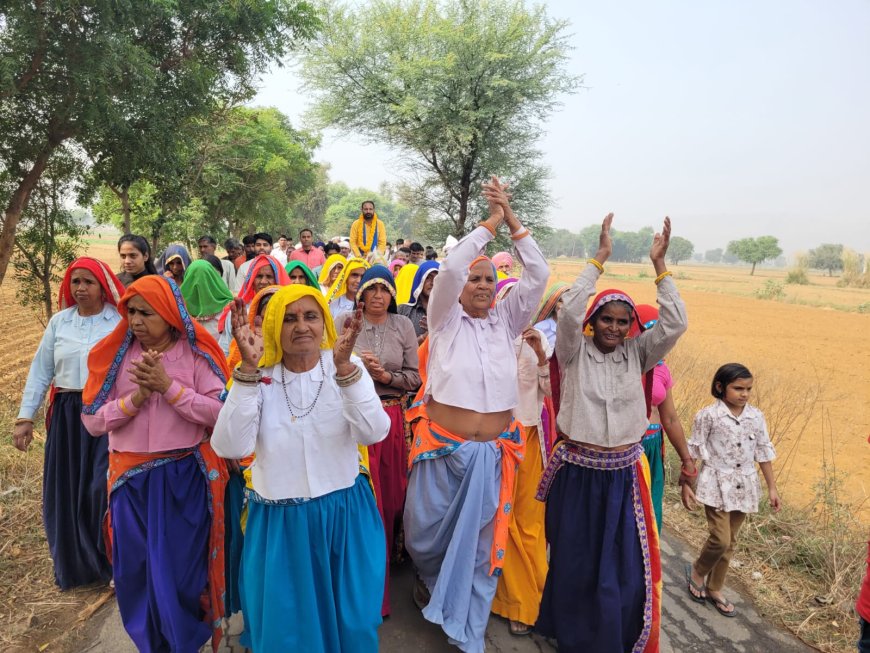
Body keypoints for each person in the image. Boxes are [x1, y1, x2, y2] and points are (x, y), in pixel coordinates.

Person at [403, 177, 548, 653]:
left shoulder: (508, 322)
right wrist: (489, 223)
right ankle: (430, 580)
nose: (483, 284)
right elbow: (451, 268)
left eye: (489, 279)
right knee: (425, 535)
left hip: (493, 456)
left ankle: (467, 625)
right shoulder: (444, 319)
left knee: (484, 544)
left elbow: (539, 275)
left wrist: (514, 221)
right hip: (443, 450)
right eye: (476, 278)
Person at [535, 214, 688, 653]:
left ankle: (610, 638)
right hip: (578, 474)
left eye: (623, 322)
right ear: (594, 320)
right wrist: (598, 260)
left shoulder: (638, 355)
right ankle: (573, 636)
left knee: (621, 564)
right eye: (608, 319)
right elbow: (567, 315)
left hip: (623, 475)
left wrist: (660, 267)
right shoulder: (572, 352)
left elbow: (674, 324)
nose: (616, 328)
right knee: (575, 560)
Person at [211, 285, 389, 652]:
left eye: (311, 316)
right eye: (289, 318)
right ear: (274, 326)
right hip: (281, 524)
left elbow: (375, 432)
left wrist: (344, 371)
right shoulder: (257, 377)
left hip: (343, 516)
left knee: (352, 624)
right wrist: (245, 370)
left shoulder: (346, 369)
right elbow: (230, 446)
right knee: (287, 631)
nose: (301, 326)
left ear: (325, 323)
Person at [81, 276, 230, 653]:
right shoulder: (114, 355)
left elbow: (220, 413)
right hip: (130, 482)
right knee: (136, 571)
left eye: (146, 312)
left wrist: (170, 388)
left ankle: (183, 642)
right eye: (130, 311)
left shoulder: (196, 355)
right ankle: (150, 644)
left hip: (182, 478)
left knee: (179, 572)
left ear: (168, 314)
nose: (136, 320)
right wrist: (137, 398)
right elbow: (93, 420)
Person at [13, 258, 124, 589]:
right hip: (67, 415)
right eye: (75, 282)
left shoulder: (119, 321)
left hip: (106, 414)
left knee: (99, 489)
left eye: (88, 282)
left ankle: (109, 562)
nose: (81, 288)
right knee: (67, 490)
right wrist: (25, 417)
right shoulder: (60, 323)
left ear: (102, 286)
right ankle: (77, 567)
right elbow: (41, 370)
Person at [336, 266, 421, 618]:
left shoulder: (403, 325)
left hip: (390, 419)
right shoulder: (344, 320)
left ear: (392, 294)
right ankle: (358, 579)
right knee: (359, 500)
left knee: (390, 498)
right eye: (371, 289)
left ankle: (384, 565)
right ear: (360, 293)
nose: (377, 296)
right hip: (351, 421)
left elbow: (415, 377)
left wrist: (386, 375)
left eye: (384, 289)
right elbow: (328, 364)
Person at [685, 363, 780, 618]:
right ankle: (698, 570)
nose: (744, 394)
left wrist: (772, 487)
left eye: (748, 389)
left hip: (745, 484)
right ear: (720, 387)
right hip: (715, 482)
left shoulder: (756, 417)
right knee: (721, 538)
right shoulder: (708, 416)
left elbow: (762, 452)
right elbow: (693, 451)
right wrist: (687, 483)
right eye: (738, 388)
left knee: (731, 542)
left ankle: (715, 587)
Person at [490, 279, 552, 636]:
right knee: (497, 519)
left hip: (528, 437)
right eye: (514, 301)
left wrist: (541, 356)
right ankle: (501, 598)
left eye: (526, 303)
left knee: (528, 522)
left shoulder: (539, 339)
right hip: (492, 438)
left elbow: (549, 389)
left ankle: (527, 598)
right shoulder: (487, 338)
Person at [632, 304, 696, 533]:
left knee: (650, 513)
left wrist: (687, 461)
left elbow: (670, 419)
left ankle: (646, 568)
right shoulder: (619, 364)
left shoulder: (661, 370)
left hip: (651, 448)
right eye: (646, 333)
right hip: (620, 451)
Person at [219, 254, 291, 336]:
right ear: (252, 281)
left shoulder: (288, 310)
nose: (263, 281)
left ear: (277, 280)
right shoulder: (239, 312)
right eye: (259, 276)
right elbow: (225, 346)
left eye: (269, 276)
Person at [180, 259, 235, 355]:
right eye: (193, 280)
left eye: (205, 281)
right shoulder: (179, 309)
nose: (201, 287)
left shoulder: (229, 310)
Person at [398, 261, 439, 343]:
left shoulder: (448, 313)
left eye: (437, 278)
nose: (432, 282)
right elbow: (396, 345)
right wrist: (424, 337)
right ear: (420, 279)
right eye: (428, 277)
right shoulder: (404, 310)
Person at [531, 281, 569, 350]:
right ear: (553, 303)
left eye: (568, 301)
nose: (563, 305)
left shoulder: (574, 330)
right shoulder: (540, 328)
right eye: (560, 301)